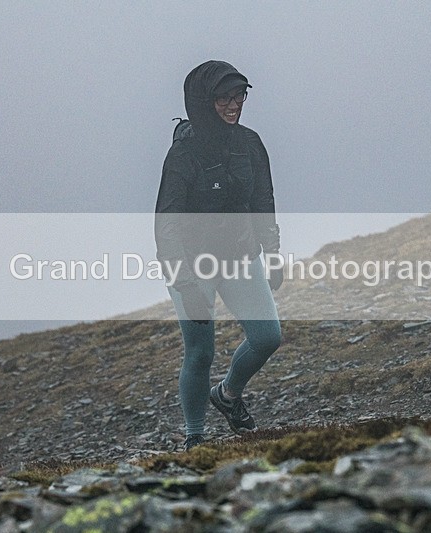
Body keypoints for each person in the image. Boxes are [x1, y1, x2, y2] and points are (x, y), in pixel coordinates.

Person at [155, 60, 283, 451]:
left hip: (240, 255)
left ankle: (227, 395)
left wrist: (273, 252)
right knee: (200, 352)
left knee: (267, 337)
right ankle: (195, 437)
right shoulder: (183, 155)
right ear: (202, 101)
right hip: (193, 265)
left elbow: (263, 201)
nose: (233, 105)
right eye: (224, 98)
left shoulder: (250, 143)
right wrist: (183, 282)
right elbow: (167, 223)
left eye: (239, 96)